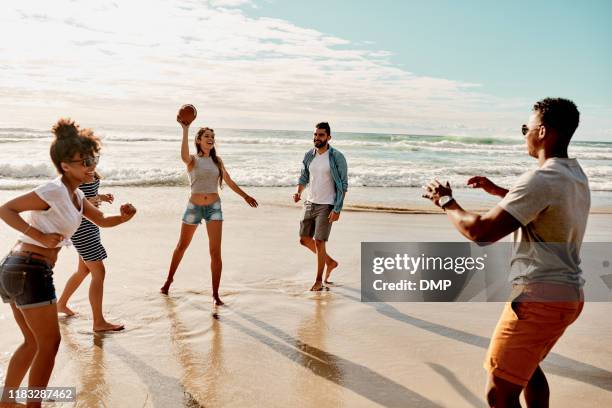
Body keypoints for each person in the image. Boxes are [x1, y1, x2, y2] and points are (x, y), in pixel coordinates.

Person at [422, 98, 588, 408]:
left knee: (499, 393)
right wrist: (500, 192)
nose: (524, 134)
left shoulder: (542, 178)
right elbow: (548, 208)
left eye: (526, 127)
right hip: (568, 295)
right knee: (527, 370)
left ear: (542, 131)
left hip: (539, 298)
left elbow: (482, 232)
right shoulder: (574, 174)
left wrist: (446, 202)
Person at [0, 118, 136, 408]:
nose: (91, 165)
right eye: (84, 160)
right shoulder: (53, 190)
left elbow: (102, 219)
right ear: (65, 165)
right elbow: (6, 209)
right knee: (49, 345)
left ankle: (8, 402)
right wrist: (37, 234)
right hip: (29, 269)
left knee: (33, 343)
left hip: (18, 270)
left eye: (93, 158)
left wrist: (124, 217)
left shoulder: (75, 196)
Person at [160, 118, 258, 305]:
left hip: (214, 208)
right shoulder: (192, 160)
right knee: (181, 246)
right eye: (207, 136)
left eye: (213, 136)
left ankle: (215, 294)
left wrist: (245, 196)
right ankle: (168, 281)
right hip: (194, 207)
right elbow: (183, 155)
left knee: (215, 252)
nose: (211, 138)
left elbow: (229, 181)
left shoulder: (217, 161)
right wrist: (185, 129)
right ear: (199, 140)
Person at [56, 173, 125, 332]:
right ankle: (98, 322)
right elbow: (68, 202)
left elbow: (88, 196)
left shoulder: (90, 171)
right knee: (99, 272)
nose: (94, 159)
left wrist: (101, 197)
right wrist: (89, 202)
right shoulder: (75, 171)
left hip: (92, 224)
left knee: (83, 270)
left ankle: (61, 304)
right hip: (82, 228)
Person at [294, 122, 348, 291]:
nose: (317, 138)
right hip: (310, 202)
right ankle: (330, 262)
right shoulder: (309, 155)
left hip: (327, 204)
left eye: (321, 135)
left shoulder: (337, 157)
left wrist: (337, 209)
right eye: (315, 135)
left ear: (329, 137)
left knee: (319, 241)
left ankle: (318, 280)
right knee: (304, 239)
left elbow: (343, 184)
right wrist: (299, 192)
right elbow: (304, 176)